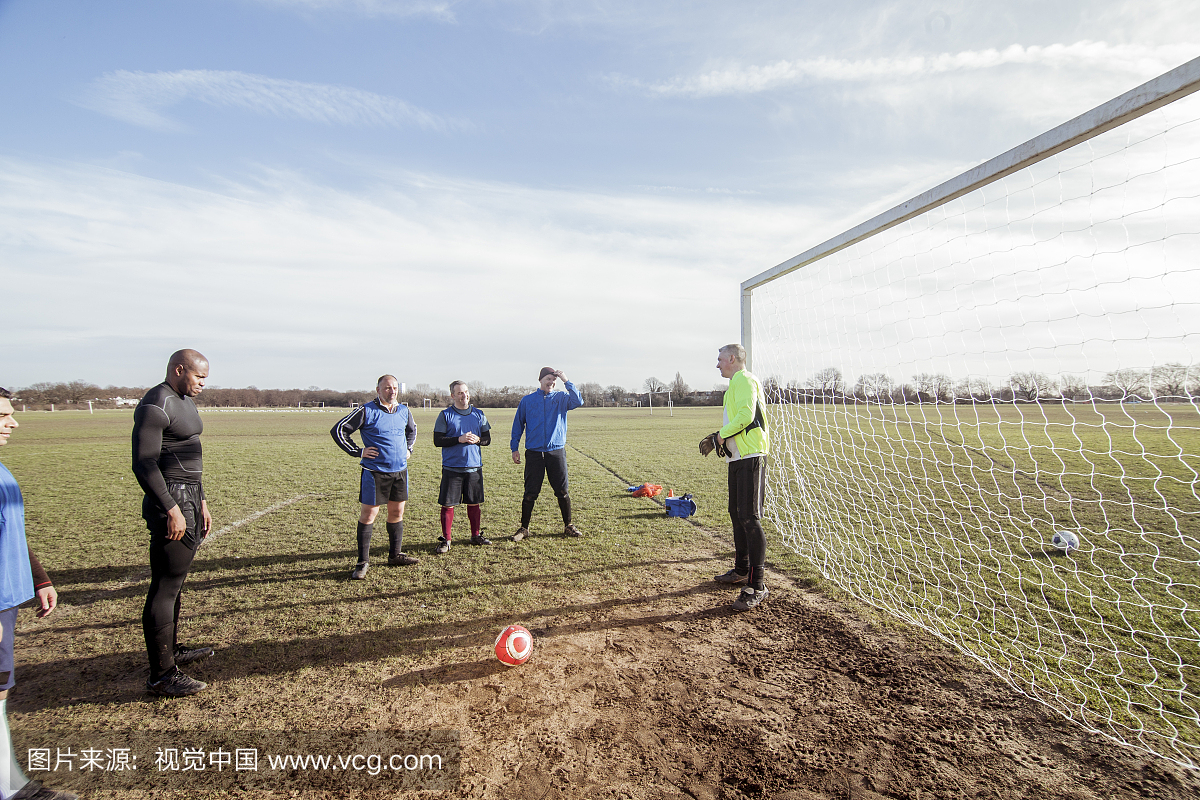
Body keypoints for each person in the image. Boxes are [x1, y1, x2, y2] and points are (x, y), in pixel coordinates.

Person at [0, 388, 77, 800]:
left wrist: (39, 578)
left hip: (8, 601)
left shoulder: (0, 471)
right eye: (2, 416)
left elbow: (11, 530)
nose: (13, 422)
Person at [132, 349, 216, 697]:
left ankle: (173, 650)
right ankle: (162, 675)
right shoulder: (156, 404)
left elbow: (190, 453)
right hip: (171, 500)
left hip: (190, 497)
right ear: (179, 369)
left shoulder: (183, 400)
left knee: (176, 583)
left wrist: (202, 500)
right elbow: (144, 462)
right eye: (198, 377)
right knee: (165, 586)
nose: (202, 384)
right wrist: (171, 507)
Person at [331, 375, 418, 579]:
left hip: (399, 471)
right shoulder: (366, 410)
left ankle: (395, 555)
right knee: (369, 515)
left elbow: (412, 432)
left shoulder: (404, 410)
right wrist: (358, 451)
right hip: (375, 472)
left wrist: (409, 450)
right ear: (378, 390)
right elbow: (338, 430)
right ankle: (362, 562)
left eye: (395, 388)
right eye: (387, 388)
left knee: (397, 513)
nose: (392, 391)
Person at [708, 344, 771, 610]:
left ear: (732, 358)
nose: (717, 364)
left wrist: (721, 435)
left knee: (750, 517)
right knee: (736, 514)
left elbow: (746, 415)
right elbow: (738, 418)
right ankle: (741, 569)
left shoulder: (745, 379)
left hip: (751, 457)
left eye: (720, 359)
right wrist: (720, 438)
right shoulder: (735, 383)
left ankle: (757, 585)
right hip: (737, 457)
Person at [510, 367, 584, 541]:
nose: (551, 382)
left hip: (556, 452)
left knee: (562, 491)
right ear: (540, 380)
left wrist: (566, 380)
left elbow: (578, 401)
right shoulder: (527, 401)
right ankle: (524, 528)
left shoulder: (561, 398)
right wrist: (515, 448)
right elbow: (517, 425)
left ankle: (568, 525)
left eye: (554, 380)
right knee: (530, 493)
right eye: (548, 379)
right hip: (534, 453)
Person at [432, 381, 492, 553]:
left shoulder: (479, 414)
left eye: (465, 392)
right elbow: (437, 441)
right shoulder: (445, 415)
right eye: (459, 393)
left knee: (474, 503)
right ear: (452, 395)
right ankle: (446, 540)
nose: (463, 395)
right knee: (448, 505)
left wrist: (478, 440)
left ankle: (475, 535)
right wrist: (459, 439)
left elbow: (487, 439)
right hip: (452, 467)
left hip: (474, 467)